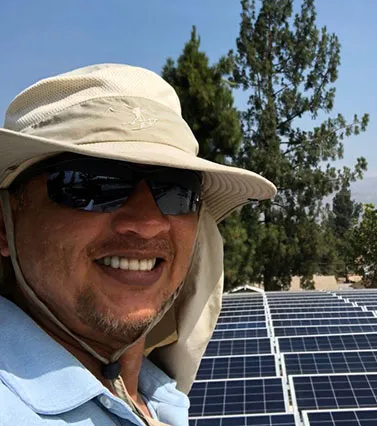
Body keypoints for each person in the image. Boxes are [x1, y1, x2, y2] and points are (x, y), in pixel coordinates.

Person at [0, 64, 276, 425]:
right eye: (92, 184)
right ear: (4, 226)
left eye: (177, 191)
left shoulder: (158, 396)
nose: (148, 224)